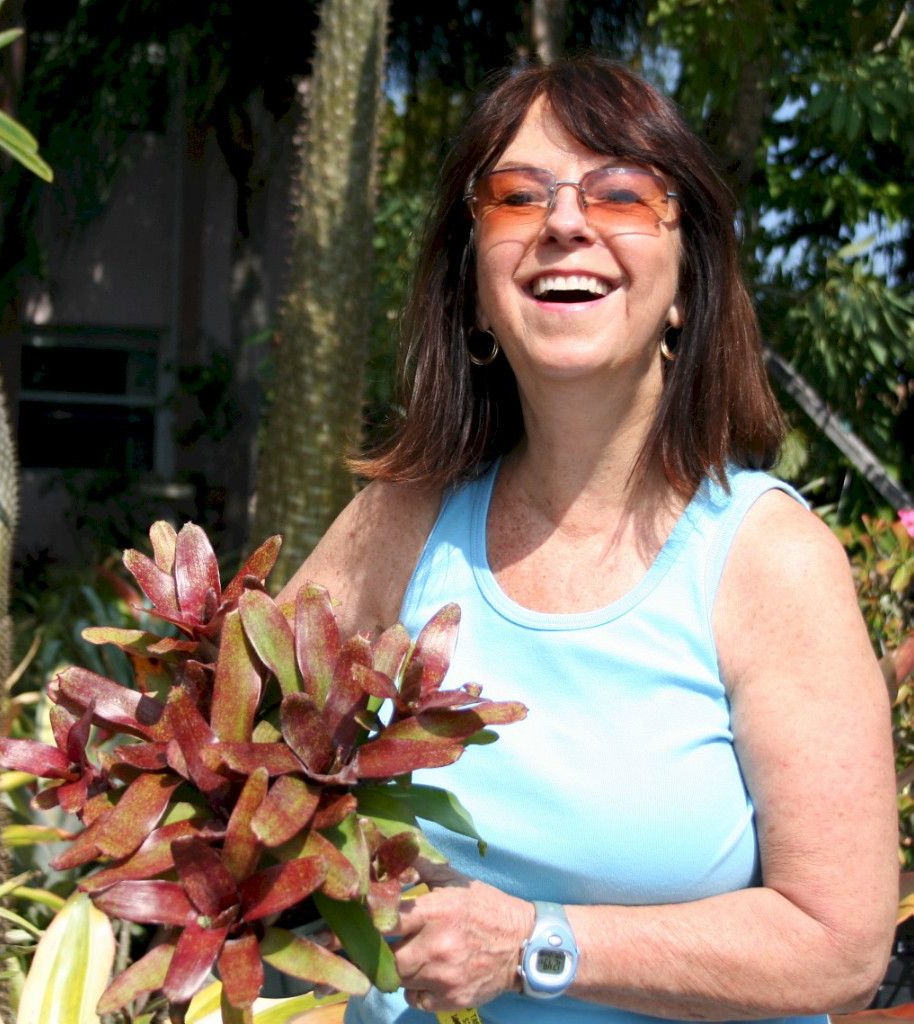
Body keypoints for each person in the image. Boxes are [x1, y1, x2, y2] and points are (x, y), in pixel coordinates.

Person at [280, 55, 897, 1024]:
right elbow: (229, 752)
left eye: (621, 193)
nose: (564, 223)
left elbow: (840, 945)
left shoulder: (767, 560)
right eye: (517, 197)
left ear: (687, 282)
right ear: (475, 295)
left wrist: (535, 943)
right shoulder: (398, 524)